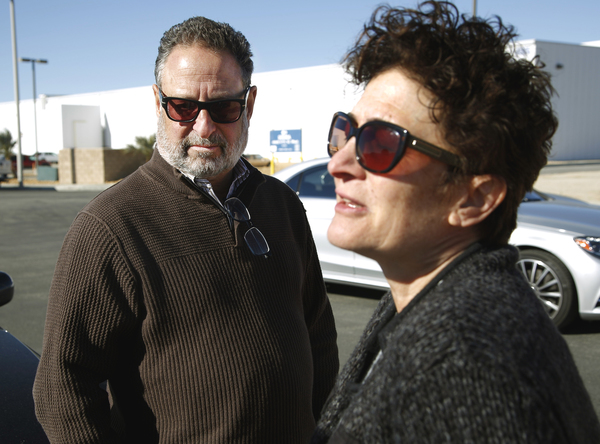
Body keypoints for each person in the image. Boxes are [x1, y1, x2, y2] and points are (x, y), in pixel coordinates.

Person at [33, 16, 339, 443]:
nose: (204, 127)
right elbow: (62, 387)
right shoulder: (110, 227)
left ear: (249, 104)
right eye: (183, 107)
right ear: (157, 101)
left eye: (224, 107)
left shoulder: (282, 205)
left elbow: (318, 333)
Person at [312, 2, 600, 443]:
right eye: (346, 132)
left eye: (381, 143)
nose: (338, 164)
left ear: (474, 199)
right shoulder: (427, 300)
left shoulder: (469, 366)